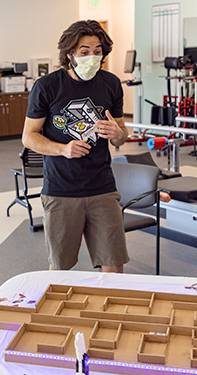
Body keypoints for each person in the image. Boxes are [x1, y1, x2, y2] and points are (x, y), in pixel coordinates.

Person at [22, 20, 129, 273]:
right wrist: (62, 149)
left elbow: (121, 135)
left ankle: (109, 313)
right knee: (60, 268)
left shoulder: (111, 83)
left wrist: (118, 133)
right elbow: (29, 136)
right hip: (61, 190)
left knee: (113, 264)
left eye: (97, 51)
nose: (92, 56)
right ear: (70, 54)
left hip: (102, 187)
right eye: (84, 51)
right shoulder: (47, 87)